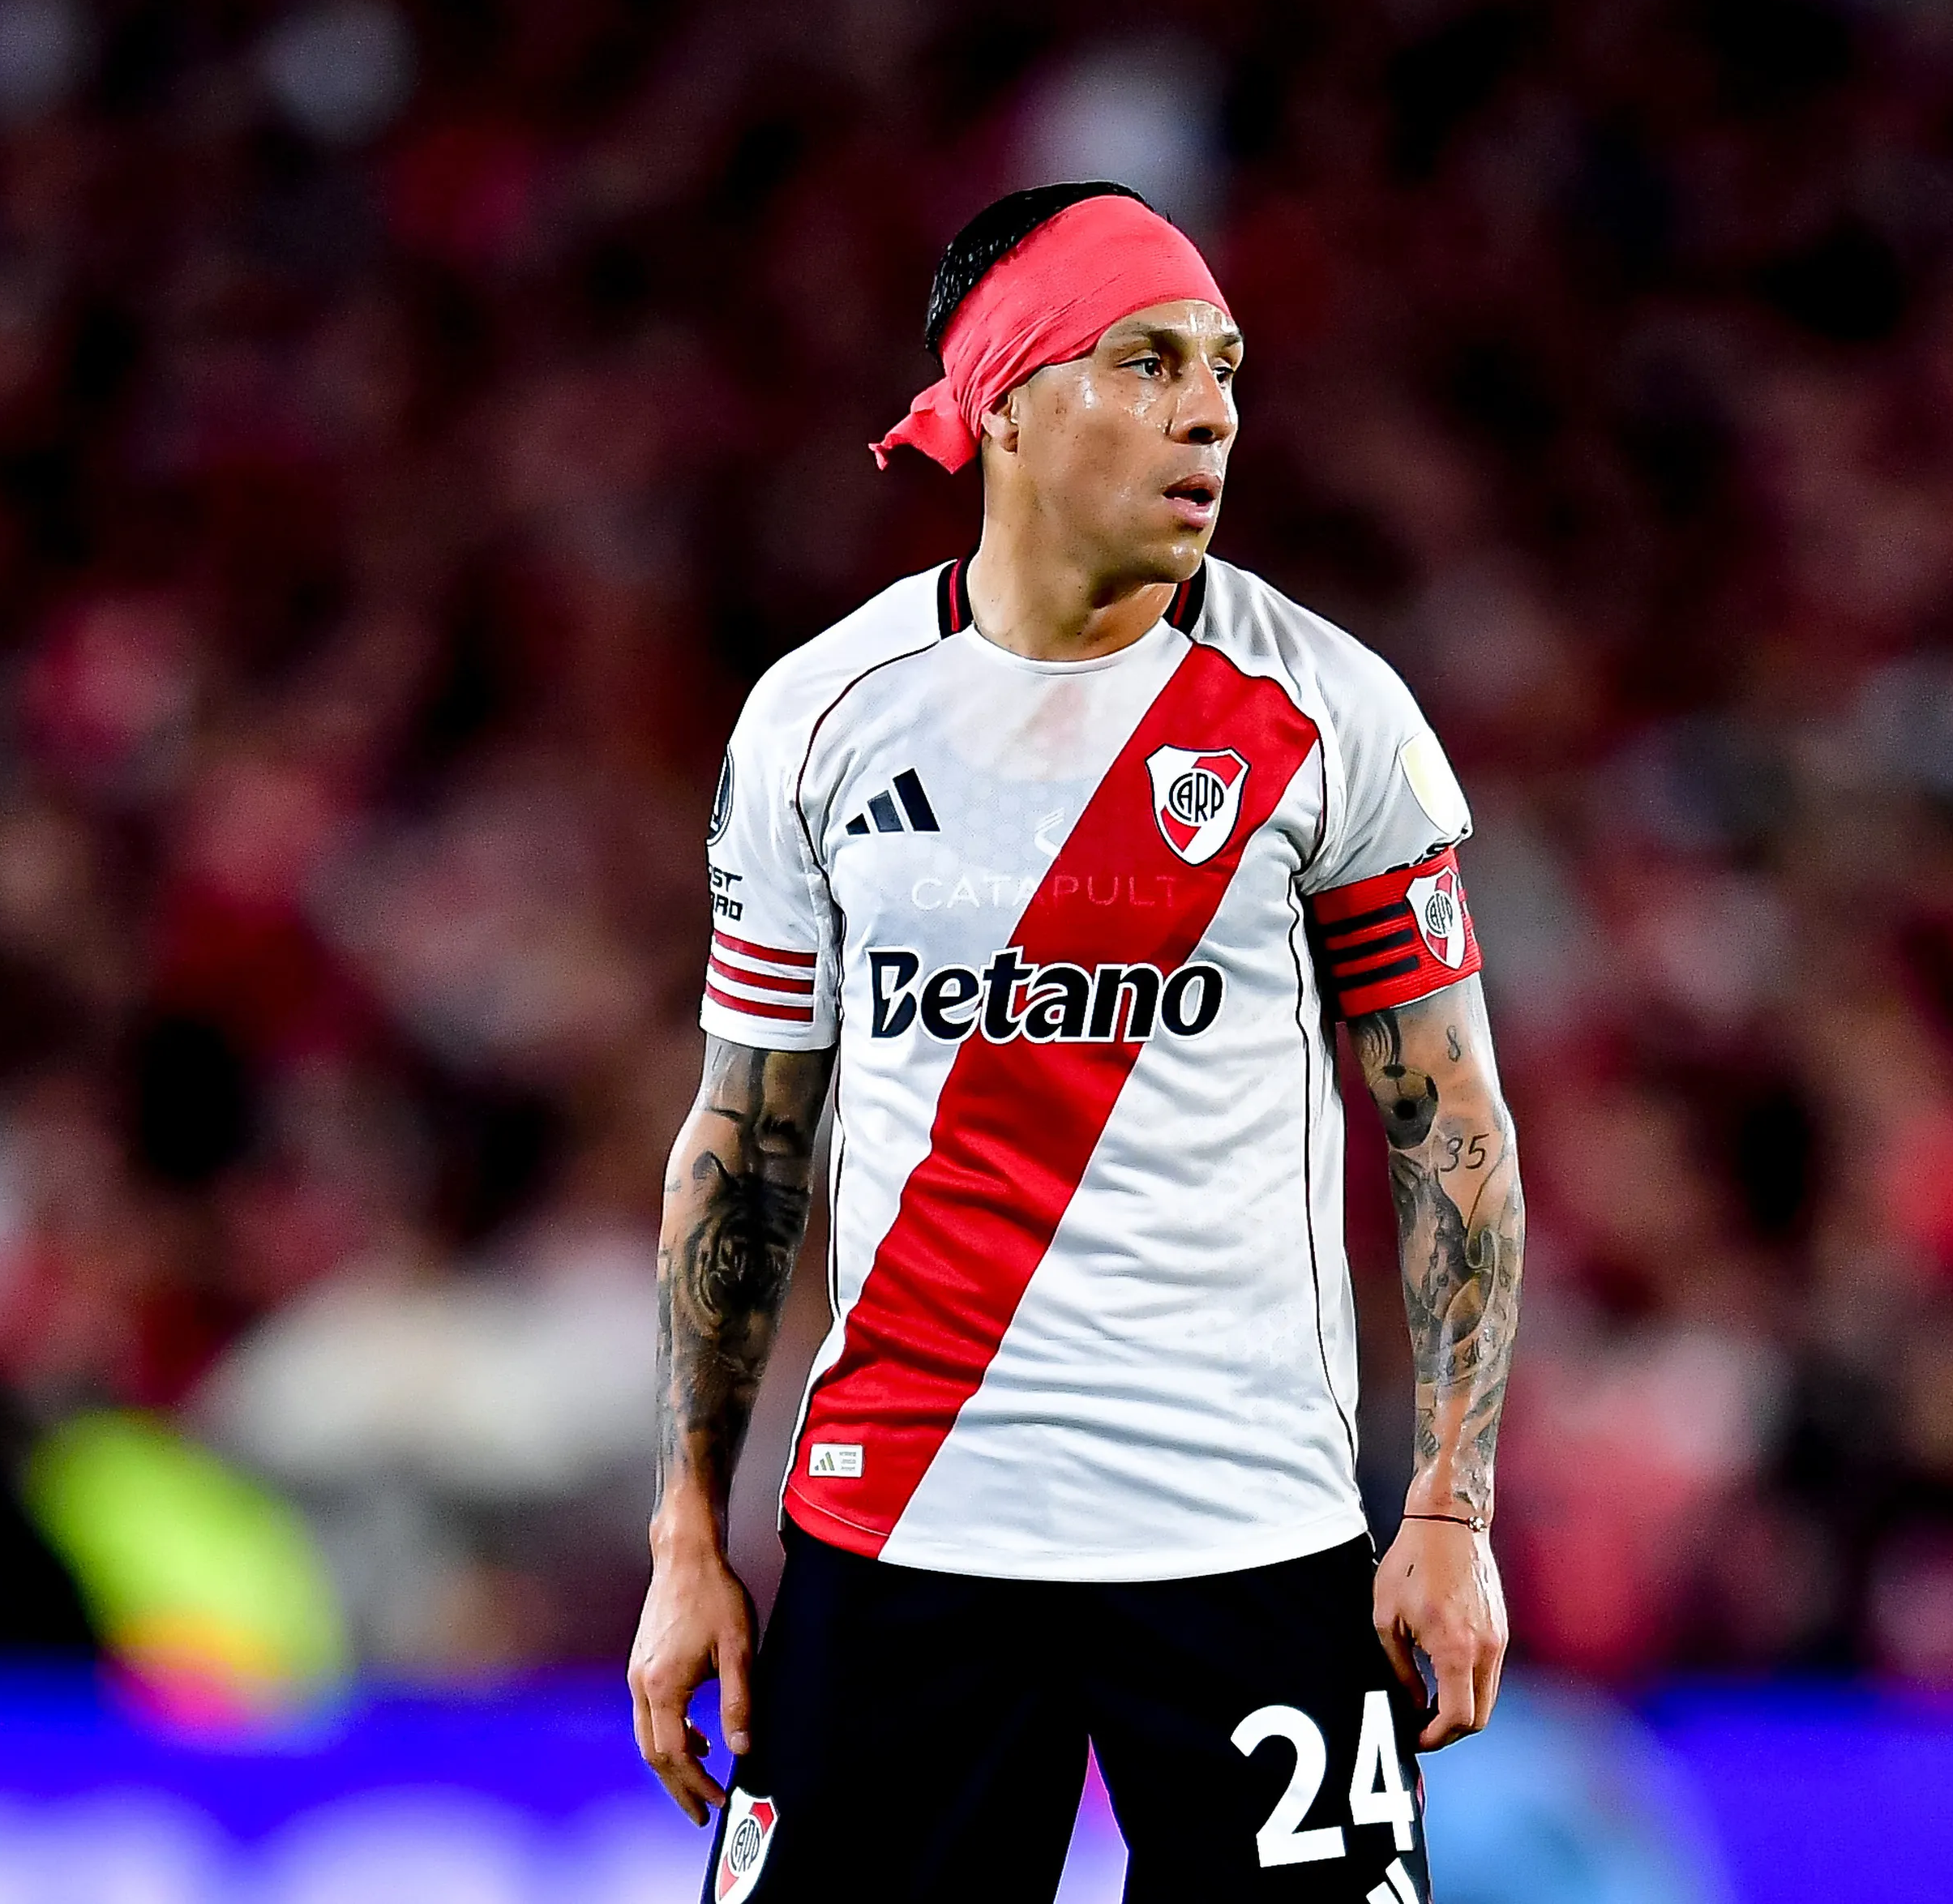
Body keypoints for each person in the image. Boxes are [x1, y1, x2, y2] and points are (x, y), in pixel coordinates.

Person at [626, 181, 1525, 1903]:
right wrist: (686, 1533)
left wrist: (1453, 1513)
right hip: (902, 1540)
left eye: (1229, 370)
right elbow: (740, 1142)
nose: (1214, 412)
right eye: (1152, 361)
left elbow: (1453, 1129)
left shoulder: (1330, 713)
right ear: (1008, 403)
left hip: (1249, 1543)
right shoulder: (818, 719)